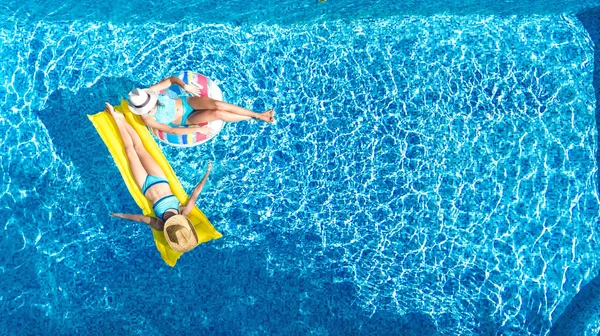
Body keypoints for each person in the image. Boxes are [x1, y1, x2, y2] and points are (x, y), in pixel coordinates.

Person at [105, 102, 211, 253]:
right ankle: (122, 119)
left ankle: (118, 119)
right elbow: (196, 193)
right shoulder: (183, 211)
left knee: (130, 152)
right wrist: (207, 173)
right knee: (139, 148)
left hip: (145, 185)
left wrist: (121, 215)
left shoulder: (160, 225)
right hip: (159, 178)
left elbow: (140, 218)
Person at [127, 76, 275, 136]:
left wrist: (186, 87)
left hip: (187, 101)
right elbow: (172, 130)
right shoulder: (147, 118)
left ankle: (257, 114)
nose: (152, 106)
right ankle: (256, 117)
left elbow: (171, 80)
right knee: (218, 113)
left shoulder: (151, 91)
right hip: (187, 118)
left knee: (218, 104)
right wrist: (199, 129)